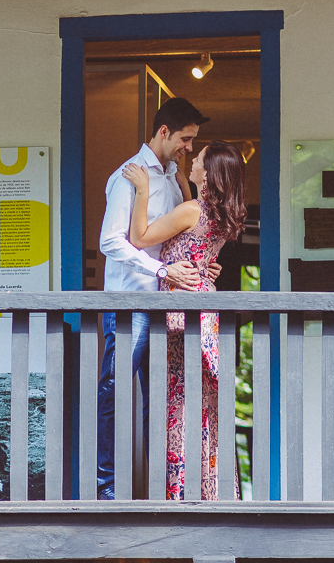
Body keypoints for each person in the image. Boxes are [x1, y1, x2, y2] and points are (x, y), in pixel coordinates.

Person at [96, 97, 213, 501]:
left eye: (194, 141)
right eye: (185, 139)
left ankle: (161, 492)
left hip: (166, 307)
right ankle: (107, 490)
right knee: (114, 392)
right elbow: (111, 241)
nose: (190, 148)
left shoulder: (171, 177)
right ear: (164, 132)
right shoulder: (129, 176)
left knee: (160, 400)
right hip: (131, 306)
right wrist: (162, 271)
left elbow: (178, 238)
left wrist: (200, 267)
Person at [122, 140, 247, 500]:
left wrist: (144, 191)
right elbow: (199, 254)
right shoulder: (219, 214)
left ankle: (179, 493)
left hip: (181, 310)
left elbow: (139, 237)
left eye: (200, 157)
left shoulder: (192, 210)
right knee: (203, 403)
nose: (192, 160)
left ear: (208, 173)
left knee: (176, 402)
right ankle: (210, 489)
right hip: (204, 307)